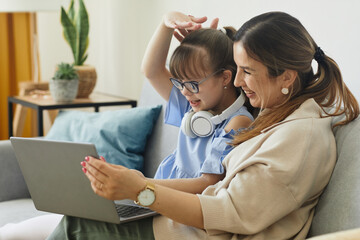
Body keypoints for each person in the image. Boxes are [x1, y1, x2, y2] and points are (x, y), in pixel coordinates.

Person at [47, 10, 359, 239]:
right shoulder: (275, 109)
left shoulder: (300, 137)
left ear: (287, 76)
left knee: (76, 227)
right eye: (236, 69)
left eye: (247, 71)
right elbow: (176, 77)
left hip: (198, 233)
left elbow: (226, 211)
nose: (237, 81)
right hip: (185, 225)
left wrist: (139, 189)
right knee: (76, 219)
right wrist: (201, 50)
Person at [0, 12, 253, 240]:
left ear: (225, 78)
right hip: (151, 199)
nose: (185, 92)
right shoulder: (196, 106)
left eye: (193, 83)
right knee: (31, 228)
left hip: (170, 207)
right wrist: (166, 25)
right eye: (180, 83)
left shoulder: (237, 121)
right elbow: (151, 69)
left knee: (72, 226)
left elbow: (206, 184)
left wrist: (139, 184)